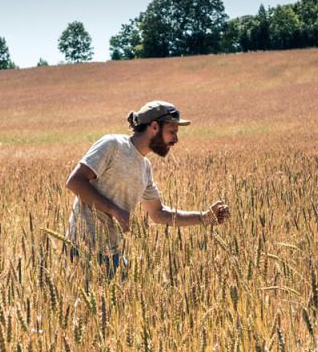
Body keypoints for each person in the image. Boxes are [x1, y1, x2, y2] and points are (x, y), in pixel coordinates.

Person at [65, 100, 230, 273]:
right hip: (82, 249)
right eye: (172, 131)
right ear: (154, 127)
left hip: (113, 254)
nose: (176, 139)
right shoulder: (113, 145)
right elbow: (75, 181)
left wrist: (204, 217)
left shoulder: (145, 167)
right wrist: (114, 210)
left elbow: (158, 214)